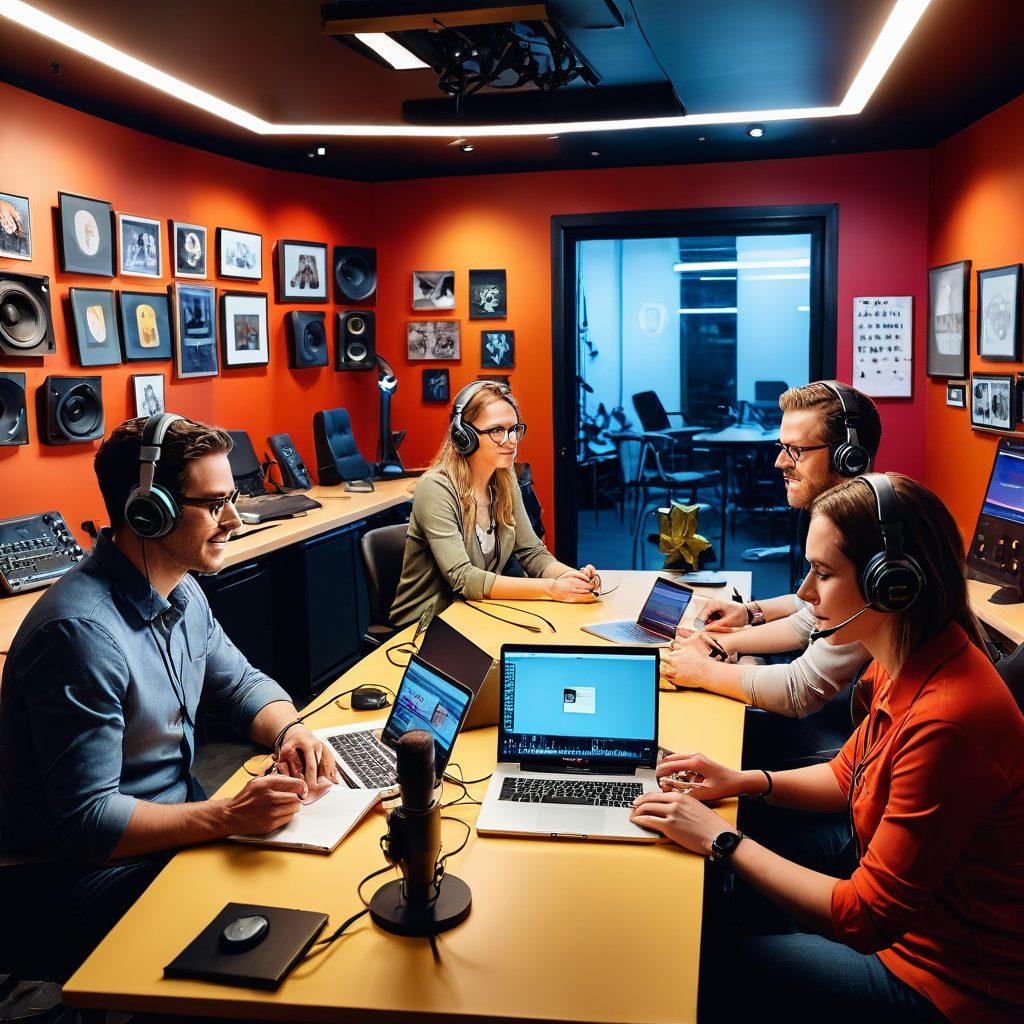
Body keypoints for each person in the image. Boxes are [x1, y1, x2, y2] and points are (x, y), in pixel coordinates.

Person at [632, 473, 1024, 1022]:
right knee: (712, 897)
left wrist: (722, 838)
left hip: (943, 984)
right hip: (903, 929)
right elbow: (845, 776)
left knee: (699, 962)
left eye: (823, 574)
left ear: (893, 586)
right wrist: (741, 781)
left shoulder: (948, 719)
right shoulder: (907, 660)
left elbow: (865, 917)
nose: (804, 594)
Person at [0, 415, 339, 977]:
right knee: (290, 936)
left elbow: (242, 684)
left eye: (232, 498)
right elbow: (88, 824)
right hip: (71, 877)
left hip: (168, 823)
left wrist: (291, 732)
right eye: (214, 505)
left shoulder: (181, 590)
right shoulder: (82, 636)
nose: (234, 519)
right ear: (146, 511)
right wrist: (229, 814)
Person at [661, 381, 882, 748]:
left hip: (847, 735)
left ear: (848, 457)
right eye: (783, 447)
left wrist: (705, 668)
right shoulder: (851, 515)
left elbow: (798, 691)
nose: (780, 461)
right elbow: (810, 614)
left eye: (796, 450)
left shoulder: (868, 538)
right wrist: (733, 629)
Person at [390, 381, 599, 628]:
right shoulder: (436, 488)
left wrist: (570, 578)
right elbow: (464, 579)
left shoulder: (504, 477)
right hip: (423, 627)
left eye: (514, 429)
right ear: (463, 435)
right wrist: (552, 589)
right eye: (496, 431)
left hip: (475, 616)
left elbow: (531, 552)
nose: (511, 441)